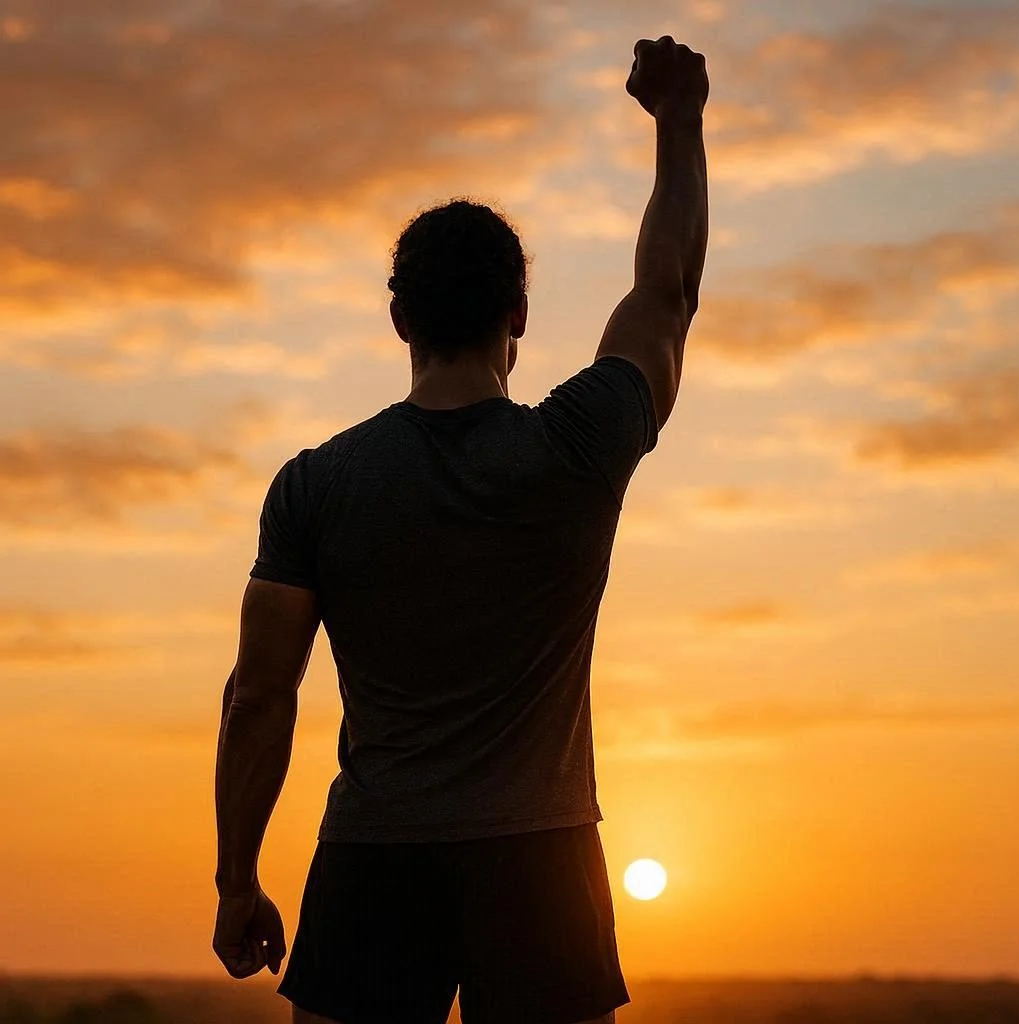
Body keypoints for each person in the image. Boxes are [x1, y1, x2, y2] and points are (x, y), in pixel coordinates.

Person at [213, 34, 709, 1024]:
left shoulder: (316, 484)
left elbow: (260, 695)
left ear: (401, 320)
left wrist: (236, 879)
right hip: (542, 861)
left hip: (374, 859)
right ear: (517, 313)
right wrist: (680, 121)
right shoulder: (579, 443)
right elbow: (666, 295)